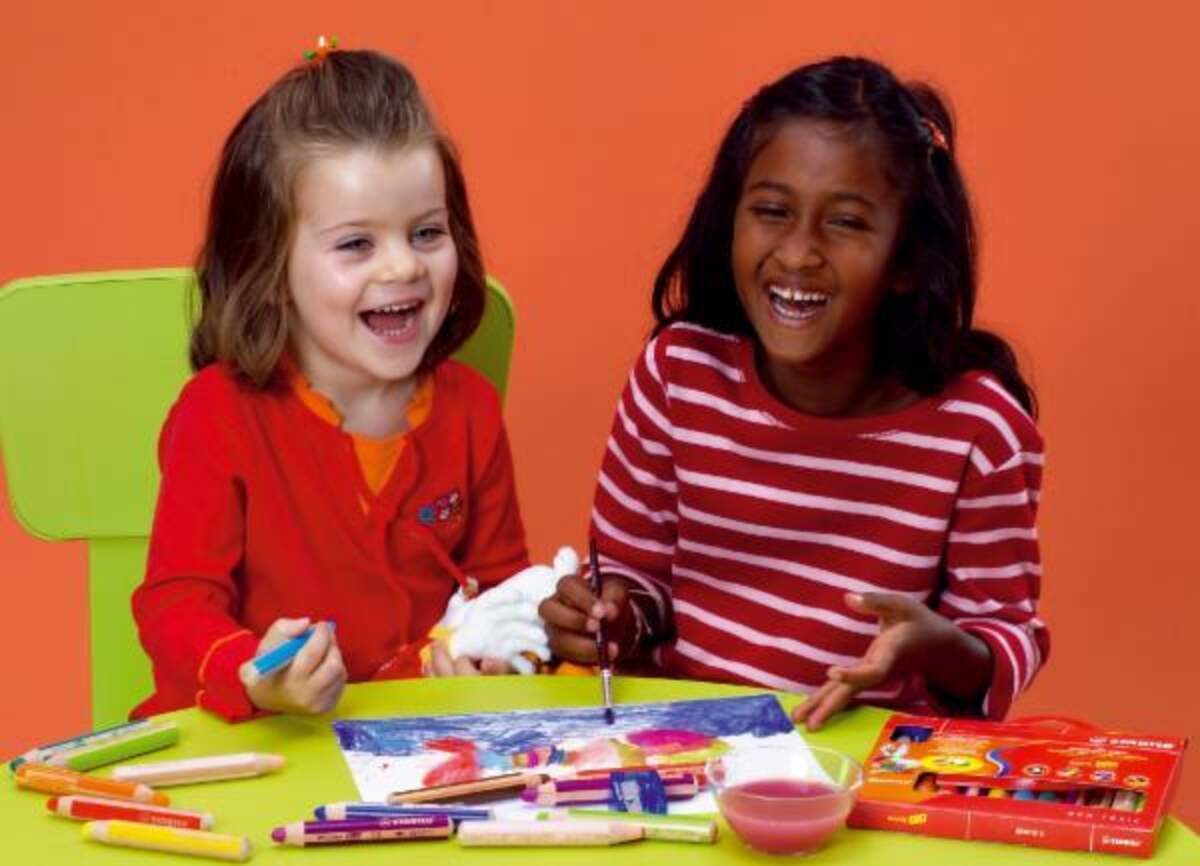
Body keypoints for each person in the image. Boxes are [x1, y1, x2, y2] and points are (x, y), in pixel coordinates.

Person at [541, 56, 1048, 729]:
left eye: (846, 222)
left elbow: (1005, 639)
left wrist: (936, 644)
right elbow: (637, 577)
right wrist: (612, 615)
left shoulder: (978, 429)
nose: (798, 253)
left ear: (906, 259)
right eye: (772, 211)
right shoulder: (677, 375)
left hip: (870, 766)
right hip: (686, 750)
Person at [131, 43, 529, 722]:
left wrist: (484, 652)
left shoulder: (471, 410)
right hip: (249, 744)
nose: (403, 267)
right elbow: (177, 605)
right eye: (356, 244)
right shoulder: (218, 413)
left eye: (426, 232)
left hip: (410, 749)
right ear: (270, 265)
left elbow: (501, 592)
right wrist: (255, 674)